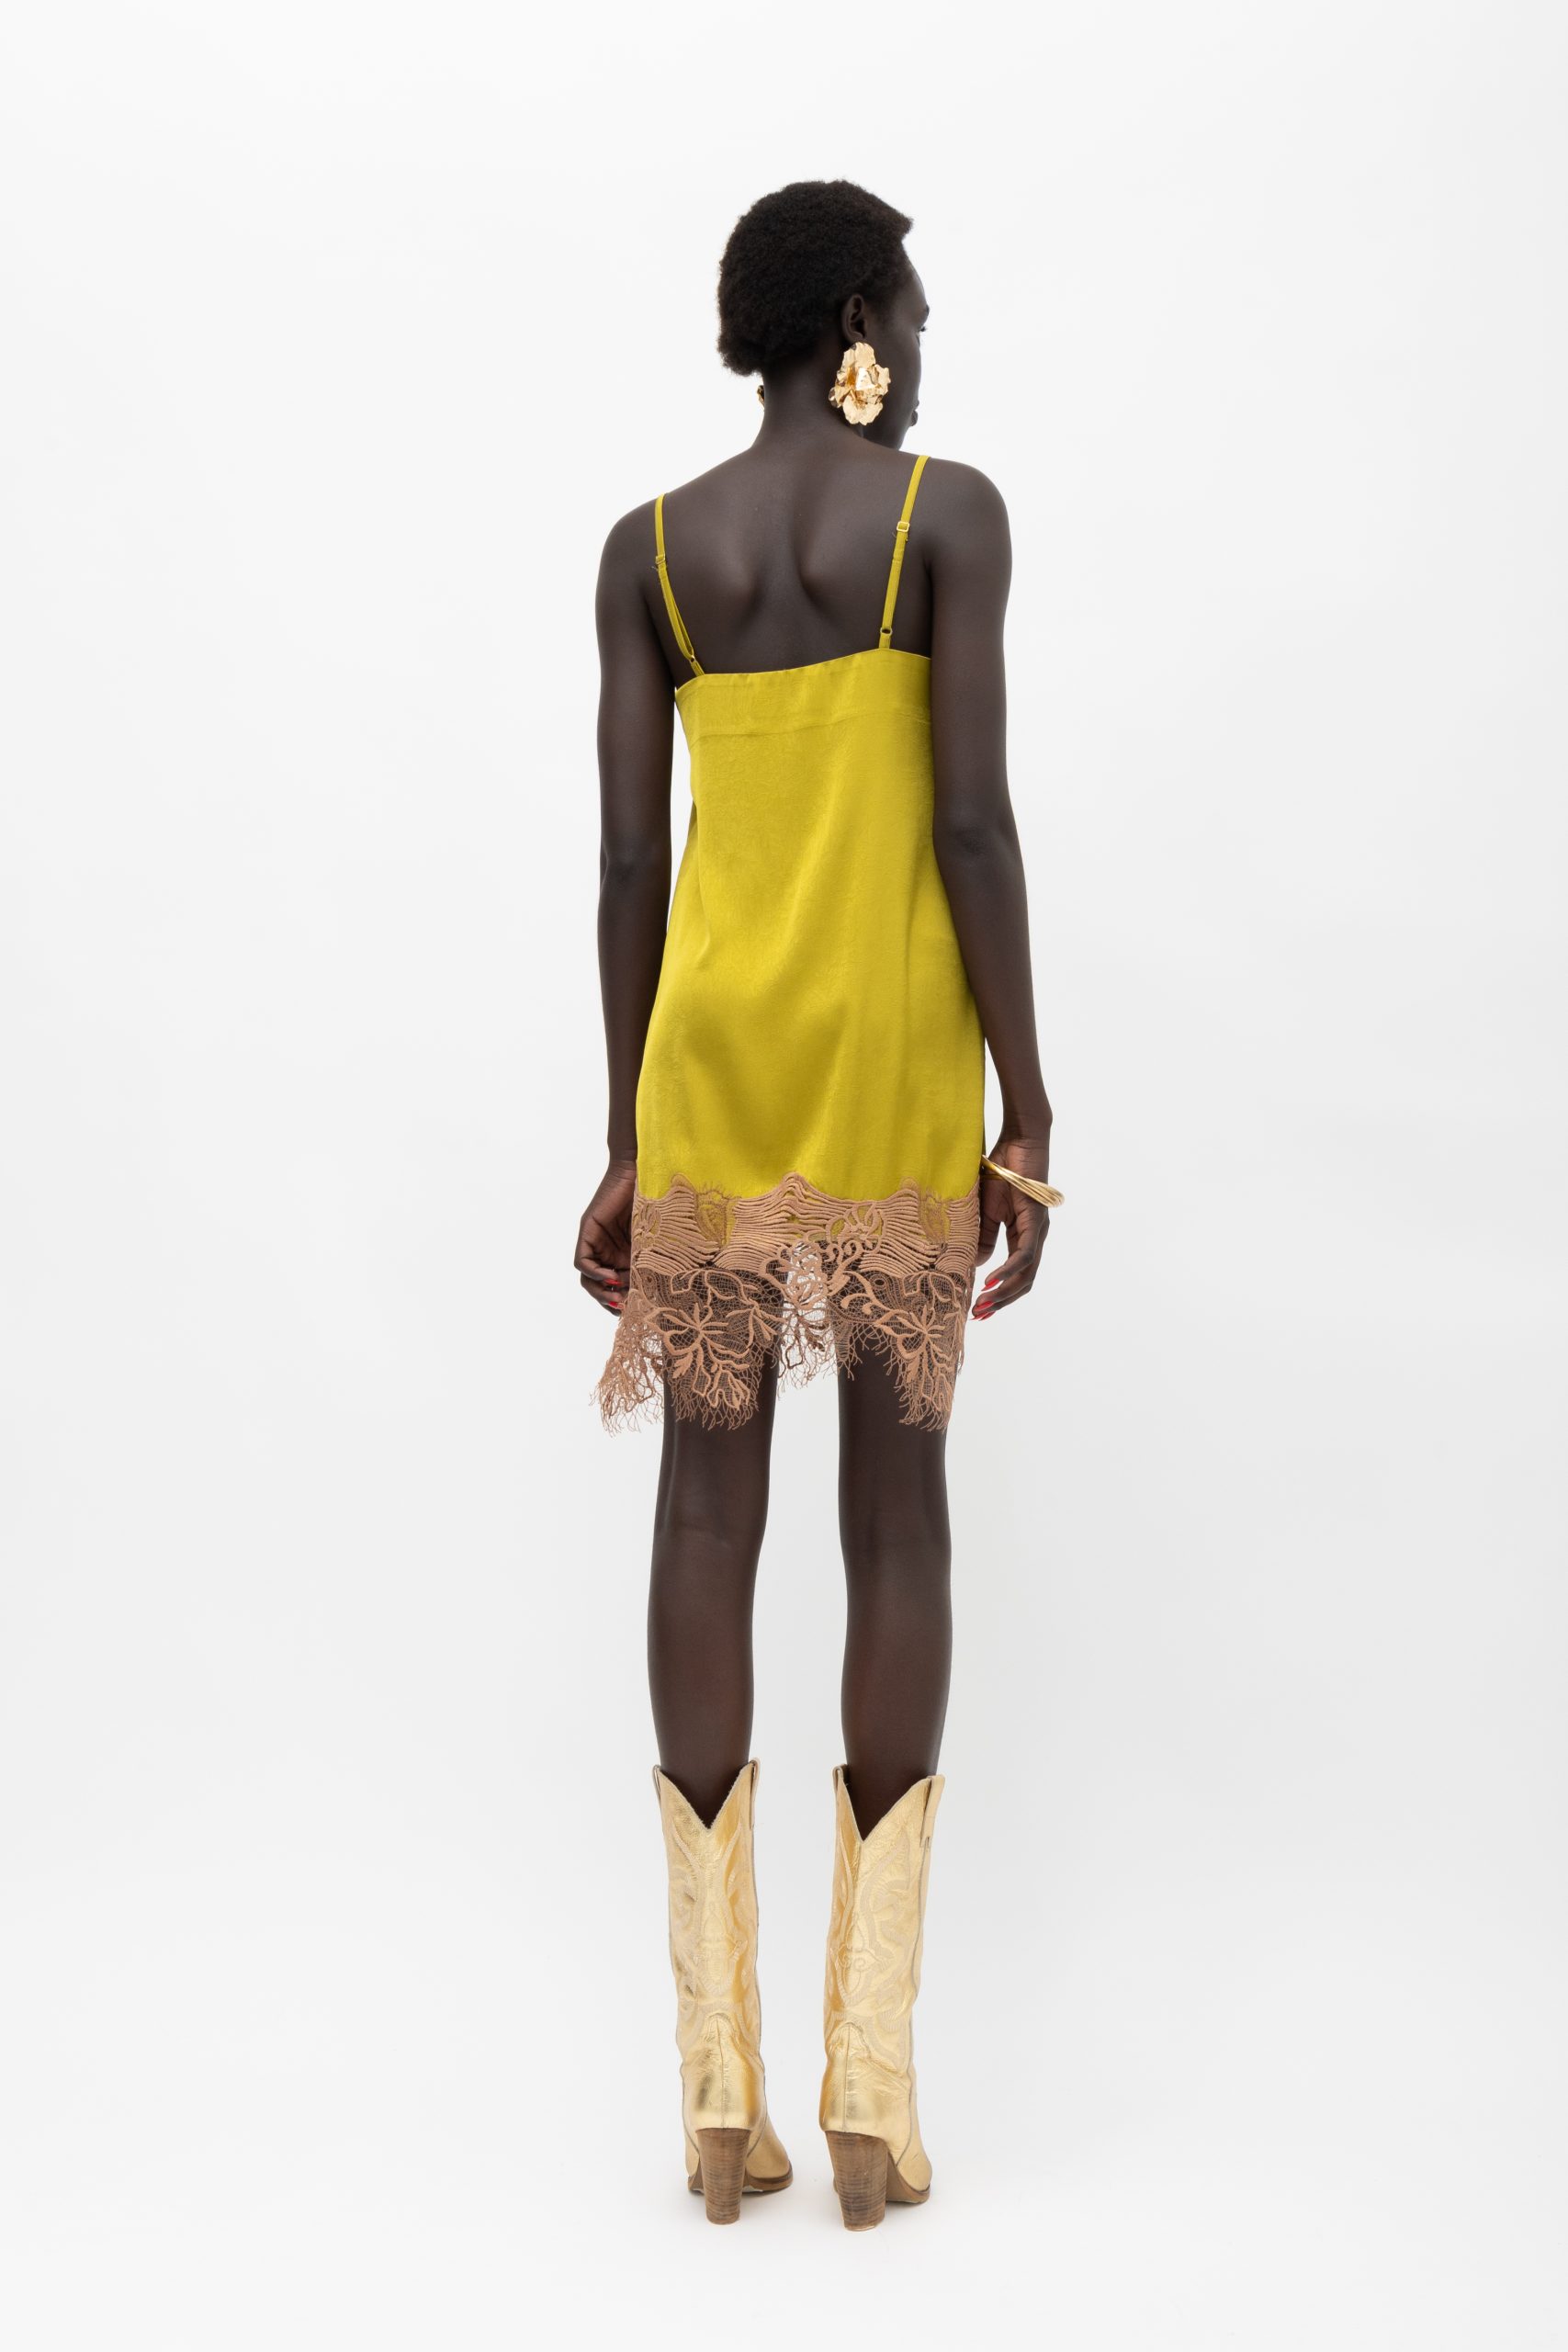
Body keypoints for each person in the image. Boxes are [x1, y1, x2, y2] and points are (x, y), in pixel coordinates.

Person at [574, 179, 1060, 2229]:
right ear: (856, 319)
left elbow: (629, 867)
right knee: (895, 1516)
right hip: (884, 1073)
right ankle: (867, 2088)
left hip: (708, 1067)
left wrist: (626, 1132)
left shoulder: (650, 553)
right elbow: (969, 823)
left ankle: (717, 2098)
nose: (921, 352)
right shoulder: (946, 517)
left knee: (705, 1510)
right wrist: (1024, 1097)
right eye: (911, 315)